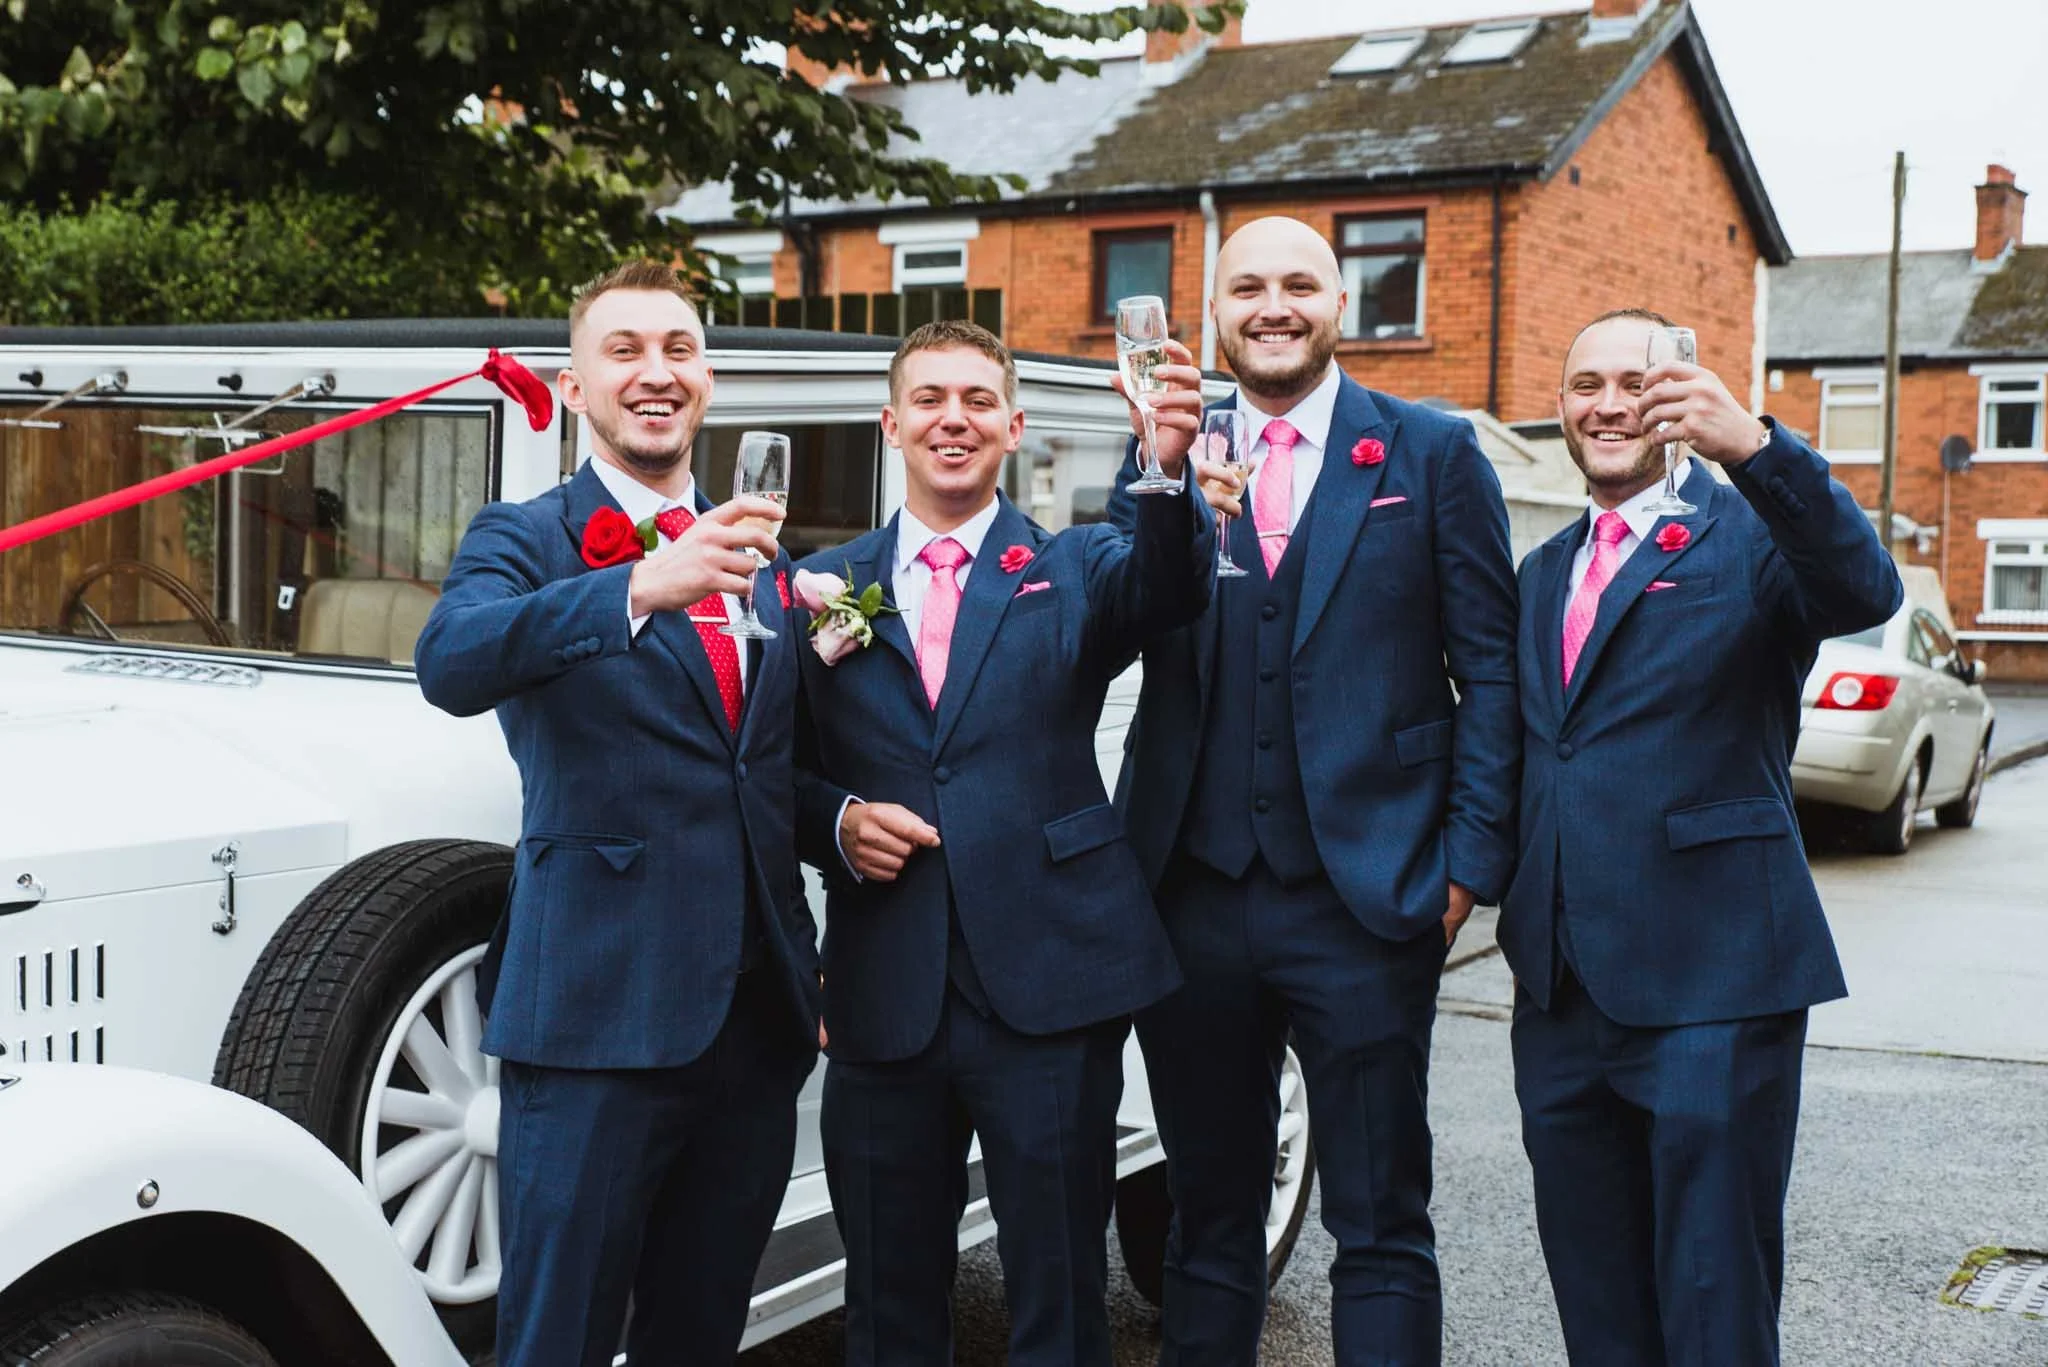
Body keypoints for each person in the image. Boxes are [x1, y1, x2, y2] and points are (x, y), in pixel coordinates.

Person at [1105, 215, 1521, 1366]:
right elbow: (1126, 611)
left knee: (1380, 1220)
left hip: (1371, 894)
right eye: (1247, 287)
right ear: (1214, 312)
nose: (1272, 305)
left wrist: (1466, 867)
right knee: (1207, 1216)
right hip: (1193, 894)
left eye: (1298, 284)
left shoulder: (1430, 454)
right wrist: (1166, 480)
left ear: (1339, 304)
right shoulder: (1161, 449)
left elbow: (1487, 669)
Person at [413, 259, 821, 1367]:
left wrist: (826, 869)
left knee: (701, 1332)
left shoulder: (764, 560)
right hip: (595, 1022)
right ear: (576, 385)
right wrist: (640, 585)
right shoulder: (525, 534)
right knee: (558, 1339)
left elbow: (760, 773)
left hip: (751, 1030)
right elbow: (448, 661)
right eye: (625, 351)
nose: (656, 373)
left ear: (708, 379)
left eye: (678, 350)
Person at [790, 319, 1213, 1367]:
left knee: (1059, 1295)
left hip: (1051, 989)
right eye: (929, 398)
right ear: (890, 423)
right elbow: (773, 774)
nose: (953, 418)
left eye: (977, 399)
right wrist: (835, 823)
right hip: (884, 992)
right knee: (886, 1301)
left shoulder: (1073, 566)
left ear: (1013, 426)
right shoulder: (815, 583)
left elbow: (1167, 587)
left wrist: (1164, 471)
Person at [1500, 308, 1902, 1366]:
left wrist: (1757, 448)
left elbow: (1862, 585)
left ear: (1676, 398)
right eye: (1584, 382)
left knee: (1712, 1302)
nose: (1606, 403)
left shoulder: (1747, 540)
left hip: (1713, 983)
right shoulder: (1541, 572)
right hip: (1559, 994)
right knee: (1596, 1303)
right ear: (1559, 406)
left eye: (1632, 381)